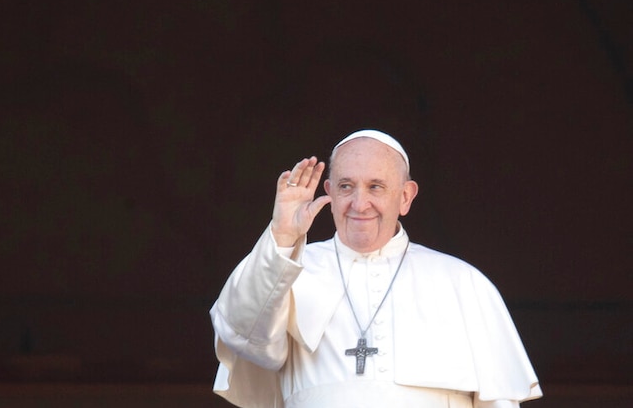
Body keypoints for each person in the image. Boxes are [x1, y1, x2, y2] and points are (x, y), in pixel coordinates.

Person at [210, 130, 541, 408]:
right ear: (328, 193)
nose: (359, 203)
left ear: (406, 197)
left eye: (376, 187)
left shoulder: (463, 284)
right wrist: (283, 235)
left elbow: (500, 402)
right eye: (345, 186)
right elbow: (244, 338)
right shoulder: (289, 269)